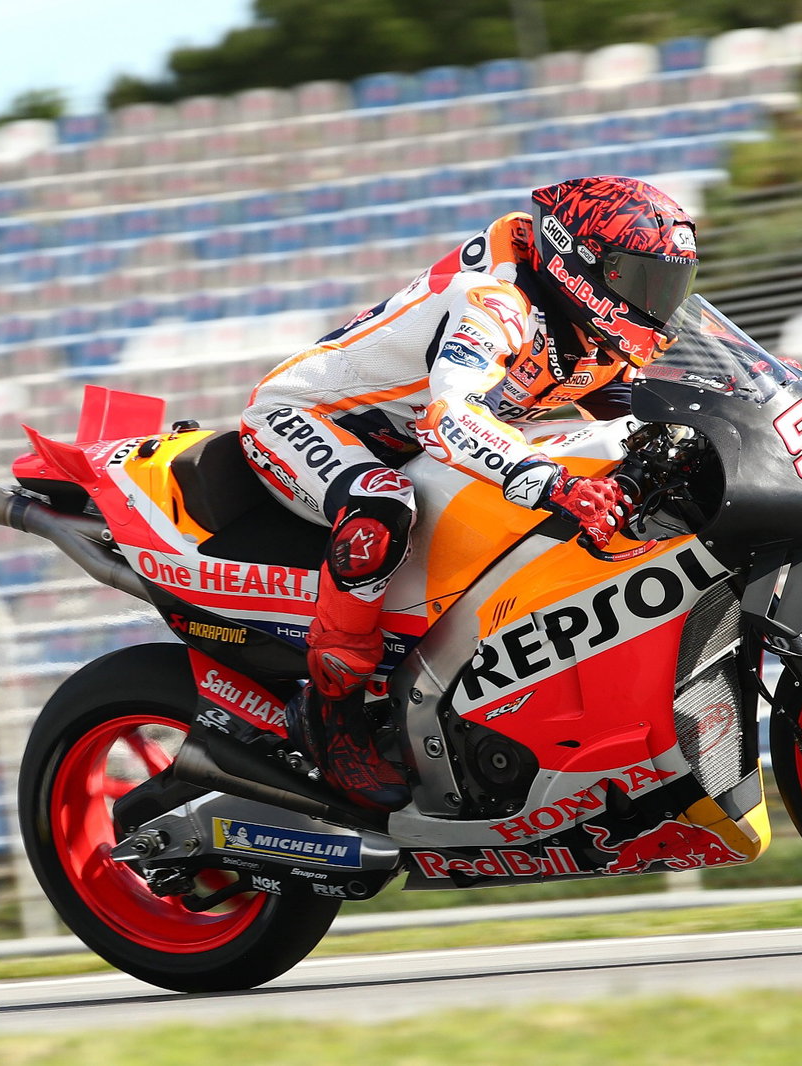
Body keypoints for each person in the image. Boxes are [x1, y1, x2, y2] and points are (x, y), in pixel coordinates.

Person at [239, 175, 699, 810]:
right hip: (308, 420)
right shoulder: (494, 301)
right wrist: (558, 486)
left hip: (405, 441)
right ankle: (330, 713)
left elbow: (629, 406)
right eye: (642, 282)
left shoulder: (588, 321)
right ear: (576, 258)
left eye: (669, 283)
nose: (658, 301)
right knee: (382, 507)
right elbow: (448, 419)